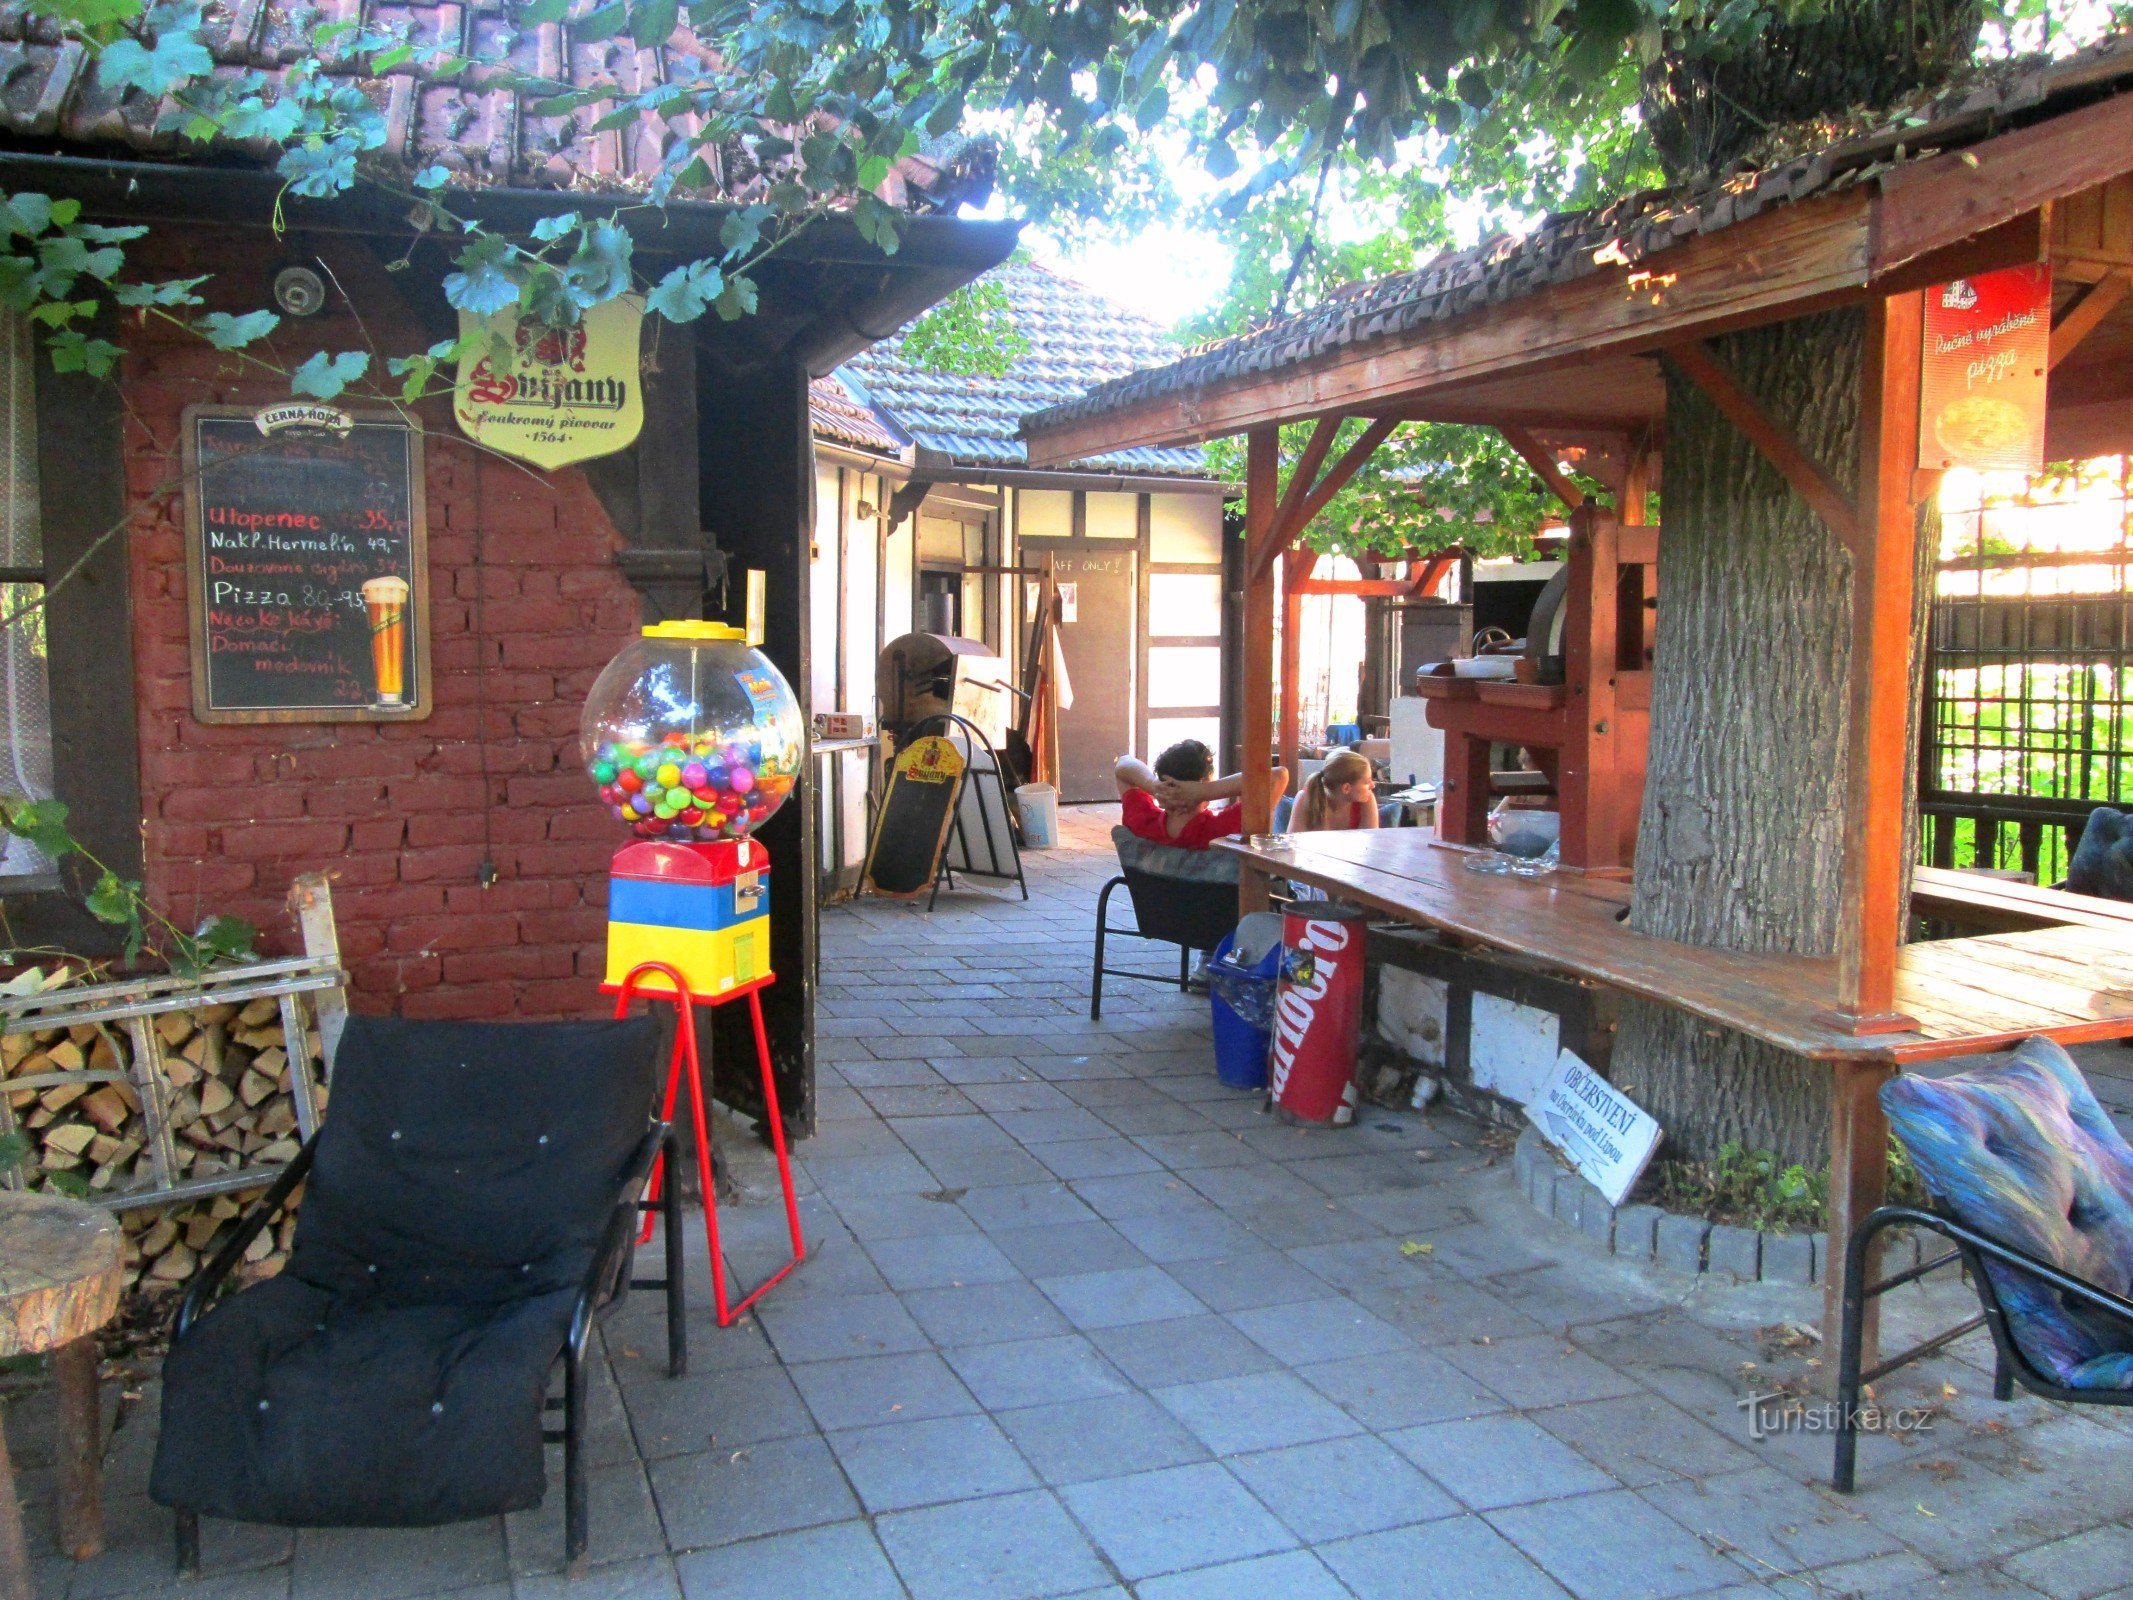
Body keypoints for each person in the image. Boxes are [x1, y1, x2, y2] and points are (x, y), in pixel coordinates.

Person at [1114, 740, 1290, 849]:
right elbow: (1279, 777)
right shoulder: (1221, 832)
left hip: (1155, 910)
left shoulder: (1143, 823)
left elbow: (1123, 764)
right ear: (1203, 783)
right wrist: (1207, 791)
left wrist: (1153, 786)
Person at [1290, 748, 1380, 832]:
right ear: (1346, 788)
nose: (1373, 786)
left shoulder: (1367, 799)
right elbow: (1292, 844)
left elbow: (1371, 843)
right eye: (1367, 782)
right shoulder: (1306, 797)